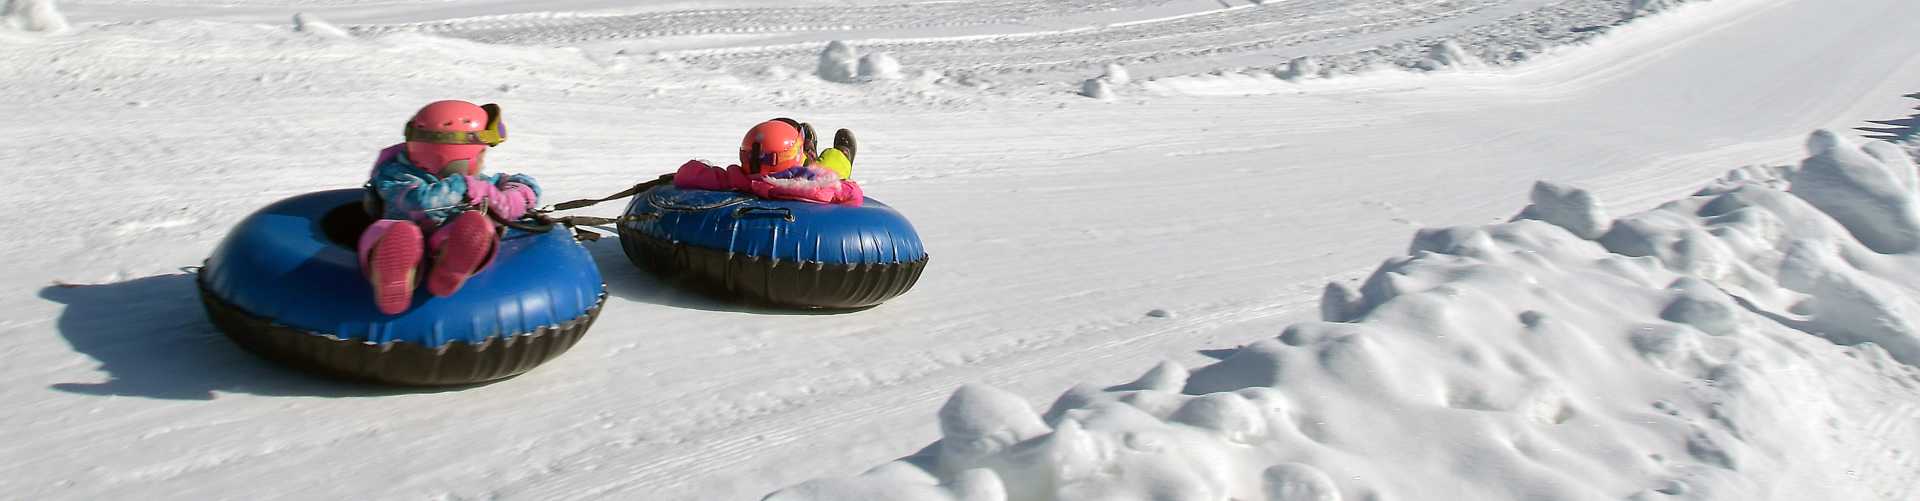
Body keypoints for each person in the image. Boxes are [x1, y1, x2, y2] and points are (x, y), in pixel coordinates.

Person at [358, 100, 541, 315]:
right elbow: (418, 202)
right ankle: (395, 277)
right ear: (460, 159)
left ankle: (451, 265)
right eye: (481, 154)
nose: (483, 162)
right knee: (391, 232)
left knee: (476, 228)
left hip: (443, 241)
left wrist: (516, 192)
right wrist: (466, 188)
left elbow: (524, 187)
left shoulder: (475, 182)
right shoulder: (396, 176)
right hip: (400, 237)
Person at [673, 118, 863, 205]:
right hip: (803, 174)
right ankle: (840, 155)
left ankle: (807, 152)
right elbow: (854, 194)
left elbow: (687, 174)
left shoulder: (737, 181)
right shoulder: (817, 187)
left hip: (755, 177)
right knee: (828, 167)